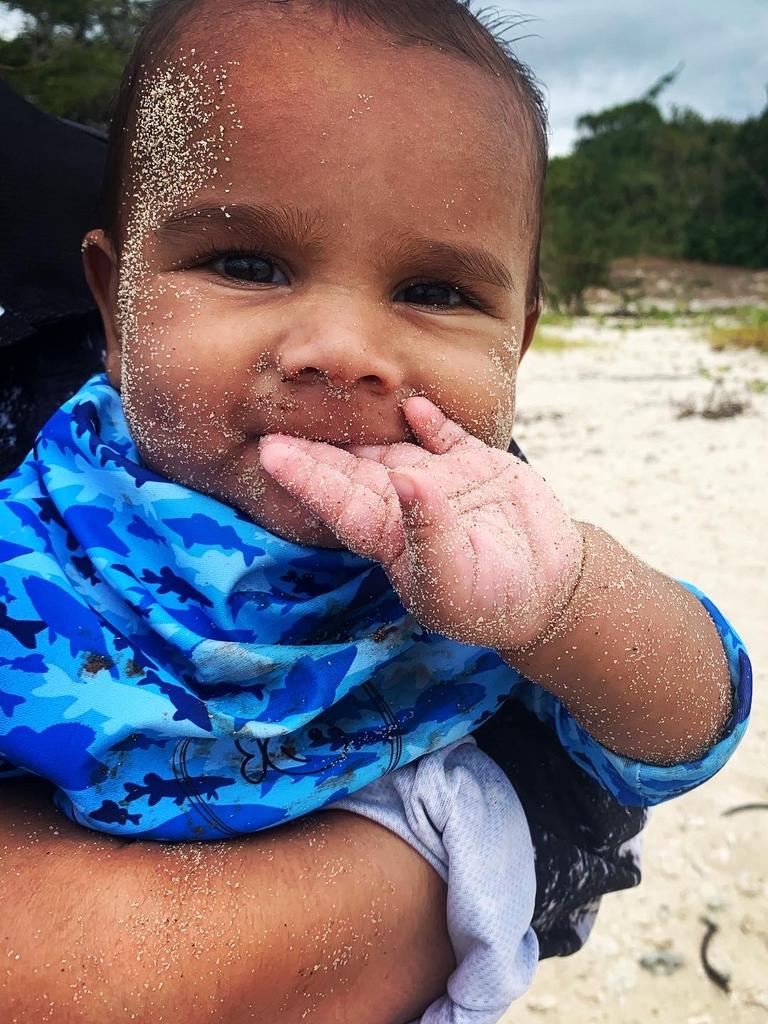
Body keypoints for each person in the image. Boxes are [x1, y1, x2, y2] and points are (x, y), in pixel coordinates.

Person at [0, 1, 751, 1020]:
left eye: (435, 289)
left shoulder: (469, 554)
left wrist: (567, 605)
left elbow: (689, 727)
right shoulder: (41, 520)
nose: (342, 347)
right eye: (247, 264)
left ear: (517, 349)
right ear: (114, 307)